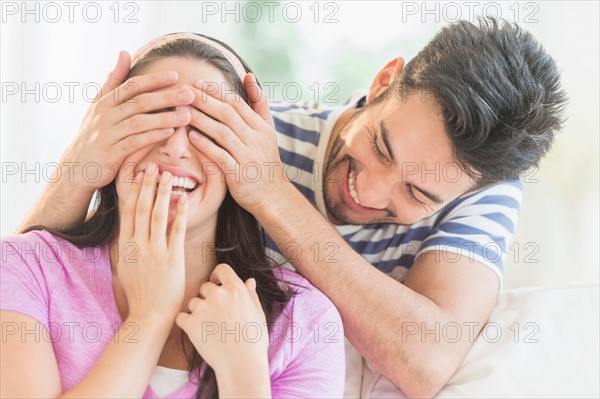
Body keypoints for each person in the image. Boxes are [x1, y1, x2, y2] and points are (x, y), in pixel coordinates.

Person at [14, 18, 567, 398]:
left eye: (417, 194)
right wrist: (81, 167)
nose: (370, 193)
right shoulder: (239, 132)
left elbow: (425, 361)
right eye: (379, 146)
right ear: (382, 82)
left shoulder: (476, 188)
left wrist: (269, 192)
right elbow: (28, 274)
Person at [0, 33, 345, 399]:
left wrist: (244, 376)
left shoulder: (304, 322)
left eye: (206, 129)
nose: (176, 148)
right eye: (155, 118)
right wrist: (150, 316)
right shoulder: (25, 266)